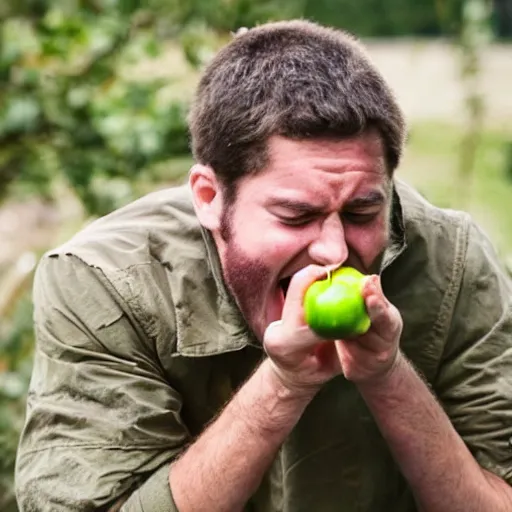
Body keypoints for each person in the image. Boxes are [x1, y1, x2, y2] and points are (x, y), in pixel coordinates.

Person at [15, 19, 512, 512]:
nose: (334, 252)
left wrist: (386, 375)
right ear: (209, 198)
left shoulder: (453, 259)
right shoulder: (106, 280)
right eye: (297, 215)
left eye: (362, 212)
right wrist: (284, 383)